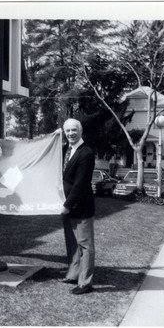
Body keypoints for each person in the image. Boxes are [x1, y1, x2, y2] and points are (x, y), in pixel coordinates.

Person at [61, 118, 95, 295]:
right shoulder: (65, 150)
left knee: (85, 245)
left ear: (81, 131)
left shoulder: (86, 153)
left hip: (80, 206)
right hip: (66, 206)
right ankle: (73, 274)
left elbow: (80, 183)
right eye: (67, 131)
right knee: (72, 243)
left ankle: (85, 282)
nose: (71, 134)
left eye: (74, 130)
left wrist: (67, 205)